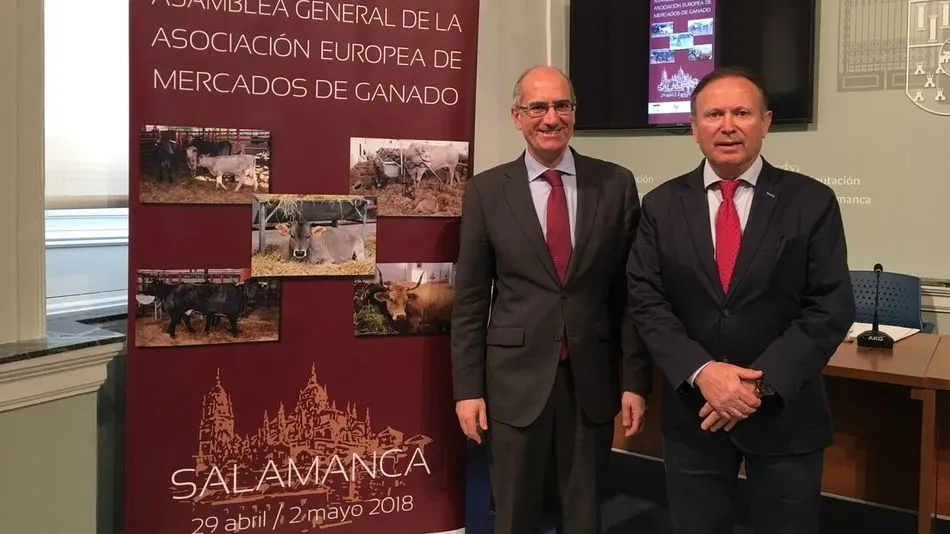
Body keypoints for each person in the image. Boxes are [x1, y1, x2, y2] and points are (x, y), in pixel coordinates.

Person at [625, 66, 856, 534]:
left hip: (783, 415)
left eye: (741, 112)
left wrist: (757, 386)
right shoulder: (661, 206)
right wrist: (703, 372)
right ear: (693, 129)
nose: (727, 125)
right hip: (696, 415)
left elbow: (830, 306)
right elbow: (647, 301)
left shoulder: (811, 202)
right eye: (713, 114)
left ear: (766, 123)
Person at [450, 65, 653, 534]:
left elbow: (631, 294)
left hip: (592, 380)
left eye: (562, 105)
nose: (551, 117)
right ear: (517, 117)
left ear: (574, 114)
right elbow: (472, 300)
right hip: (513, 381)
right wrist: (467, 389)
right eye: (538, 107)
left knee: (584, 515)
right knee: (515, 512)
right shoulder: (485, 191)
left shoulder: (616, 184)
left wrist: (635, 380)